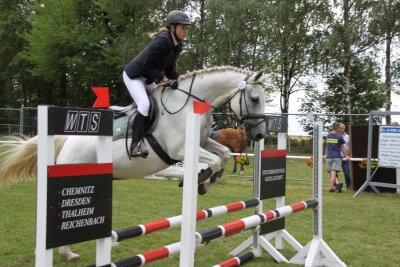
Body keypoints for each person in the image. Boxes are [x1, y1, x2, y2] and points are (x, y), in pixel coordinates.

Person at [123, 10, 191, 157]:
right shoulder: (163, 40)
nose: (186, 31)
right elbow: (148, 65)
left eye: (187, 28)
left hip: (148, 77)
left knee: (163, 101)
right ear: (172, 28)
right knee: (144, 105)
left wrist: (180, 82)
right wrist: (165, 80)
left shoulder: (178, 45)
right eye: (183, 28)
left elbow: (170, 68)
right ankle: (134, 146)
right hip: (134, 76)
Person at [325, 122, 350, 193]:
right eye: (340, 127)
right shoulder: (339, 136)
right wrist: (346, 155)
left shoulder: (328, 135)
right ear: (337, 128)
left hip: (329, 157)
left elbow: (327, 146)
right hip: (336, 157)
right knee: (333, 173)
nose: (341, 129)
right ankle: (331, 187)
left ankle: (337, 184)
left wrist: (326, 154)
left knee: (331, 172)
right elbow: (342, 147)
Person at [338, 123, 352, 190]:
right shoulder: (335, 136)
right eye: (339, 128)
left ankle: (348, 186)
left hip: (344, 157)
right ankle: (336, 186)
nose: (340, 129)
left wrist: (347, 154)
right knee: (334, 172)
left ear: (344, 129)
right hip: (336, 156)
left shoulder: (348, 137)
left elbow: (350, 146)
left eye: (341, 128)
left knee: (347, 172)